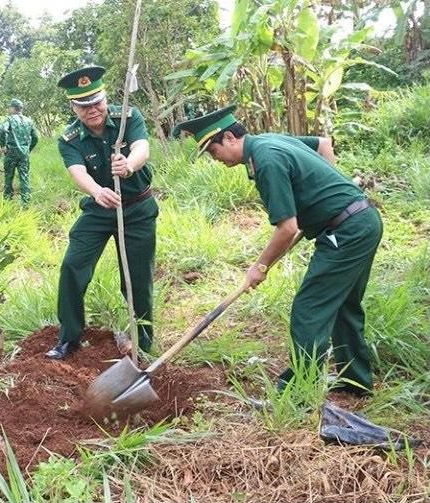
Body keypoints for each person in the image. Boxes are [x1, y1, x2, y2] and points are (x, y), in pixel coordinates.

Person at [176, 105, 382, 395]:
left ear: (230, 139)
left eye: (213, 151)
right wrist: (333, 188)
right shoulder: (269, 140)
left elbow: (286, 228)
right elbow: (323, 144)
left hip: (346, 231)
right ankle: (356, 383)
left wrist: (259, 267)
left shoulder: (266, 160)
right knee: (343, 305)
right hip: (361, 221)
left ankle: (298, 392)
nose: (216, 159)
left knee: (308, 310)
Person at [45, 65, 158, 360]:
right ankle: (69, 338)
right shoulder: (68, 138)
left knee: (136, 278)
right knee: (73, 266)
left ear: (105, 97)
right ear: (73, 106)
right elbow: (77, 171)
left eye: (96, 101)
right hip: (98, 209)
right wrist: (97, 191)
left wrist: (130, 165)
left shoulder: (128, 118)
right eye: (83, 105)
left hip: (137, 209)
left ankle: (143, 342)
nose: (92, 110)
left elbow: (142, 148)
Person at [0, 98, 38, 204]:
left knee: (9, 176)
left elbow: (0, 130)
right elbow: (35, 137)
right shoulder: (29, 121)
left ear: (13, 108)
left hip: (11, 153)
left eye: (10, 107)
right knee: (24, 176)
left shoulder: (10, 119)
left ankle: (7, 200)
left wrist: (3, 145)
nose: (9, 109)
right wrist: (28, 149)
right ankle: (26, 201)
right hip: (24, 154)